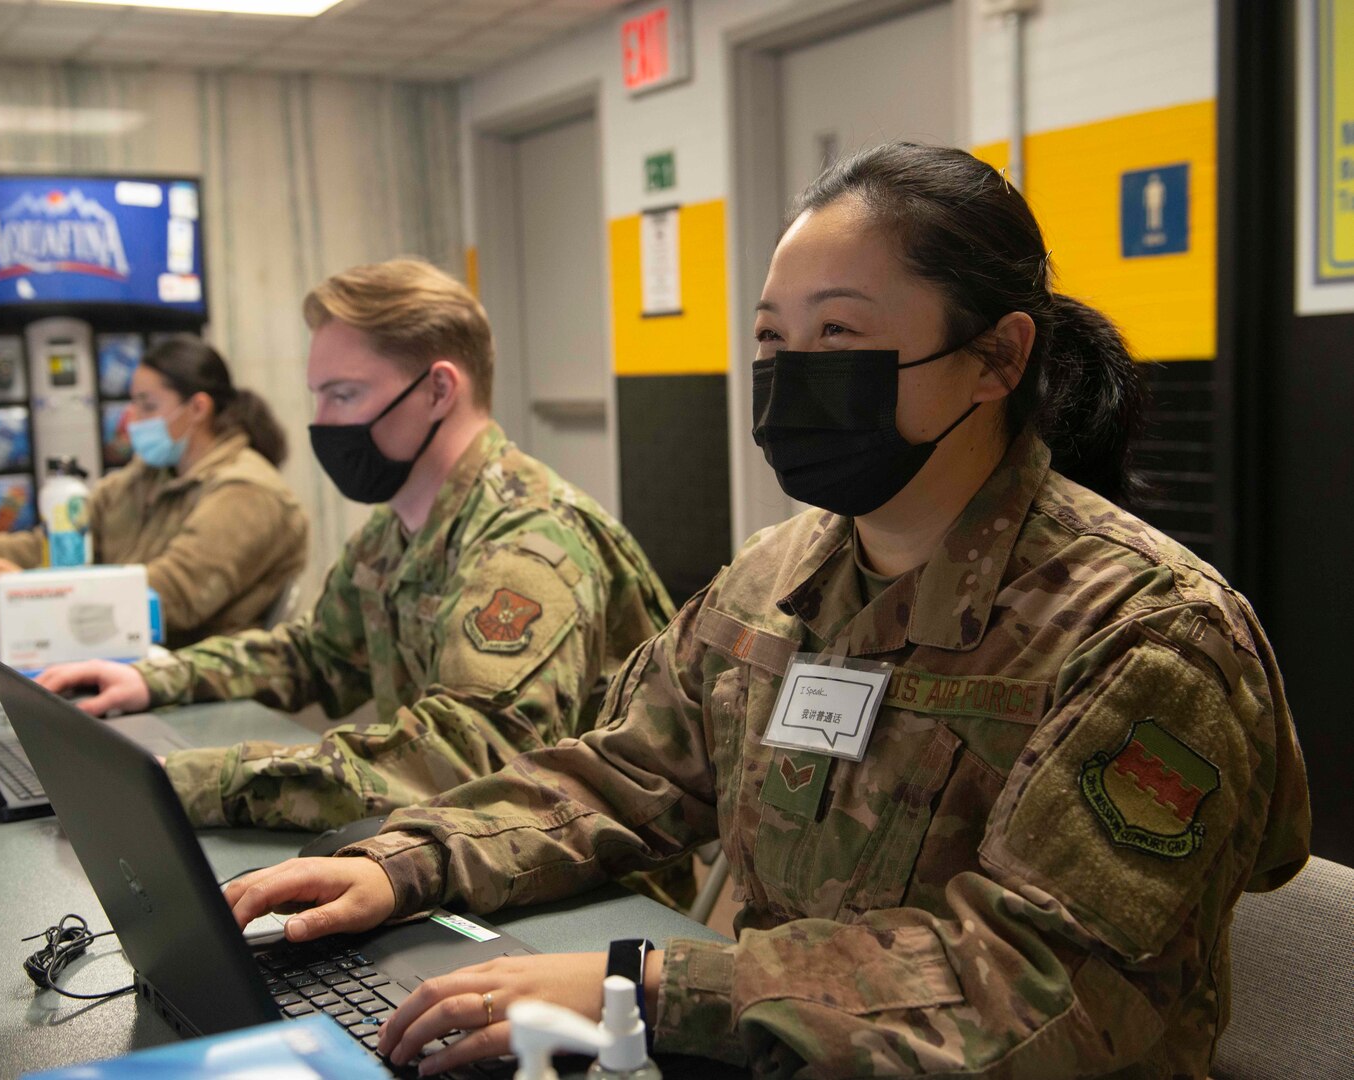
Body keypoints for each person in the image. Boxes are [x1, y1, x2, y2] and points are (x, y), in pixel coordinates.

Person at [217, 145, 1312, 1078]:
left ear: (997, 357)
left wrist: (643, 987)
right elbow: (624, 774)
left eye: (839, 336)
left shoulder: (1147, 633)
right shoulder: (774, 579)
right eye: (776, 340)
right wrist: (406, 860)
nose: (794, 376)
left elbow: (1038, 988)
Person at [37, 261, 682, 889]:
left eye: (344, 394)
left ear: (438, 390)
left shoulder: (528, 543)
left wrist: (201, 780)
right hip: (469, 848)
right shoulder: (399, 523)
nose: (322, 422)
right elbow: (315, 654)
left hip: (591, 885)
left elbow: (465, 757)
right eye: (318, 395)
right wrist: (151, 679)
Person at [0, 338, 309, 649]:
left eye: (146, 404)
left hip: (198, 692)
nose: (130, 421)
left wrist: (28, 591)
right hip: (126, 665)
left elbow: (169, 599)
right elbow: (46, 544)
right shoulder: (146, 478)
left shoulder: (247, 493)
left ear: (197, 408)